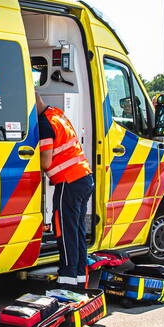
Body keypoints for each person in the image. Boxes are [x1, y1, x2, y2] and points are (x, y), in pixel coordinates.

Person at [37, 94, 96, 289]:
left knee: (65, 232)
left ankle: (67, 280)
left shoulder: (45, 123)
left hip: (68, 182)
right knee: (77, 232)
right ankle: (80, 278)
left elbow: (45, 161)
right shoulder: (56, 113)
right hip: (84, 177)